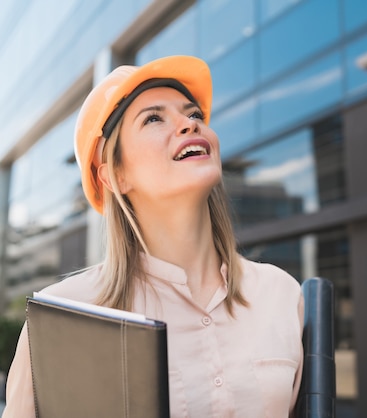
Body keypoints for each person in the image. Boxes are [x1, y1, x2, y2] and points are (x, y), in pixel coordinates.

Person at [2, 55, 304, 418]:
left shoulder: (282, 294)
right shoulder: (61, 317)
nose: (189, 125)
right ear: (115, 177)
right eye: (154, 118)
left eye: (194, 115)